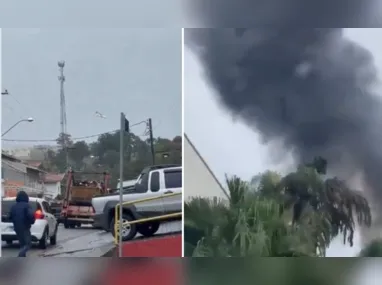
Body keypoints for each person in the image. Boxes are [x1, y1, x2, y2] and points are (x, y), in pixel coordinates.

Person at [9, 191, 36, 257]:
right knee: (28, 244)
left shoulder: (13, 206)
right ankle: (21, 254)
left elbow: (10, 217)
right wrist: (32, 221)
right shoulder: (27, 206)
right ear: (26, 197)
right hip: (25, 227)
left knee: (22, 244)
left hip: (16, 228)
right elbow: (30, 215)